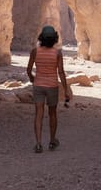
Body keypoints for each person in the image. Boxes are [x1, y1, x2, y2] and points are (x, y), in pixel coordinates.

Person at [26, 25, 72, 153]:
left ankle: (39, 143)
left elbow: (28, 69)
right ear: (54, 39)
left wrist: (32, 78)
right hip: (52, 86)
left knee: (38, 114)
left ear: (41, 38)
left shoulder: (35, 51)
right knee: (52, 114)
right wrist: (66, 89)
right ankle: (52, 141)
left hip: (38, 85)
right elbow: (61, 72)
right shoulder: (57, 53)